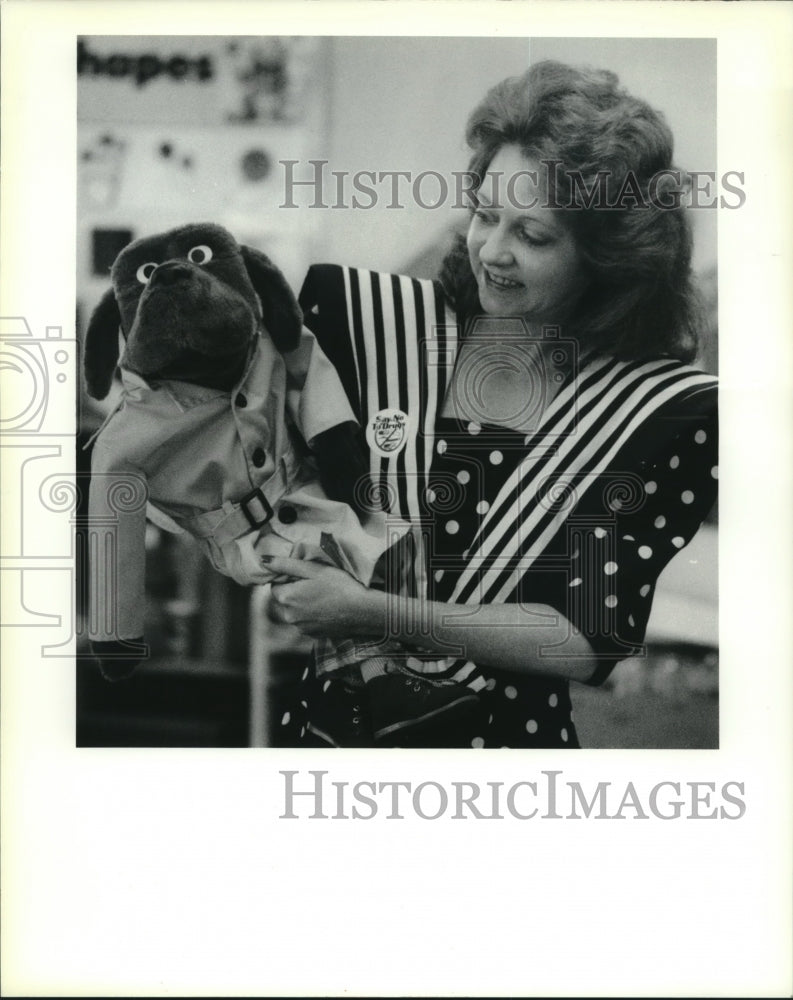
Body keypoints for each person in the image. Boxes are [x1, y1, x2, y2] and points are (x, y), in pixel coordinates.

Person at [265, 60, 718, 748]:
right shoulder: (367, 327)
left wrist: (372, 611)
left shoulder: (652, 413)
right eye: (484, 215)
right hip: (337, 740)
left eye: (532, 236)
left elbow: (581, 639)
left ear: (606, 258)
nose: (492, 252)